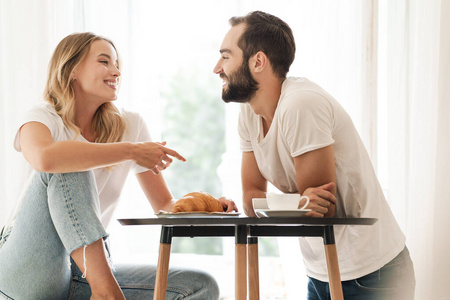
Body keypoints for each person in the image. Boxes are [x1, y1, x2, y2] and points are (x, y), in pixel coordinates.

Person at [0, 32, 235, 300]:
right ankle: (107, 294)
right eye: (104, 62)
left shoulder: (130, 125)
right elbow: (45, 158)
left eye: (117, 64)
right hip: (29, 265)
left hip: (86, 270)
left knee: (201, 286)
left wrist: (208, 204)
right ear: (72, 68)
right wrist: (132, 151)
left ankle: (104, 291)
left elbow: (165, 205)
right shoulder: (42, 116)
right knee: (70, 164)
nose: (116, 71)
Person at [213, 11, 415, 300]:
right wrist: (296, 201)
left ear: (258, 61)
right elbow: (251, 199)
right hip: (321, 270)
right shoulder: (249, 113)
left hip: (372, 274)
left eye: (226, 56)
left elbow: (321, 211)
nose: (217, 68)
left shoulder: (301, 104)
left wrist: (283, 203)